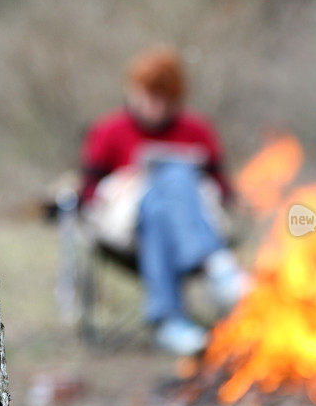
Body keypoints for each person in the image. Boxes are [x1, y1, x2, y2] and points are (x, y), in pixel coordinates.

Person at [80, 45, 246, 355]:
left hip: (170, 222)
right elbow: (88, 193)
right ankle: (216, 267)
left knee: (165, 199)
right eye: (148, 96)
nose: (154, 107)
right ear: (133, 91)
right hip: (125, 222)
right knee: (166, 179)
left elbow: (224, 191)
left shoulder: (197, 130)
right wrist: (129, 179)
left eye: (163, 99)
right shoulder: (108, 131)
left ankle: (169, 321)